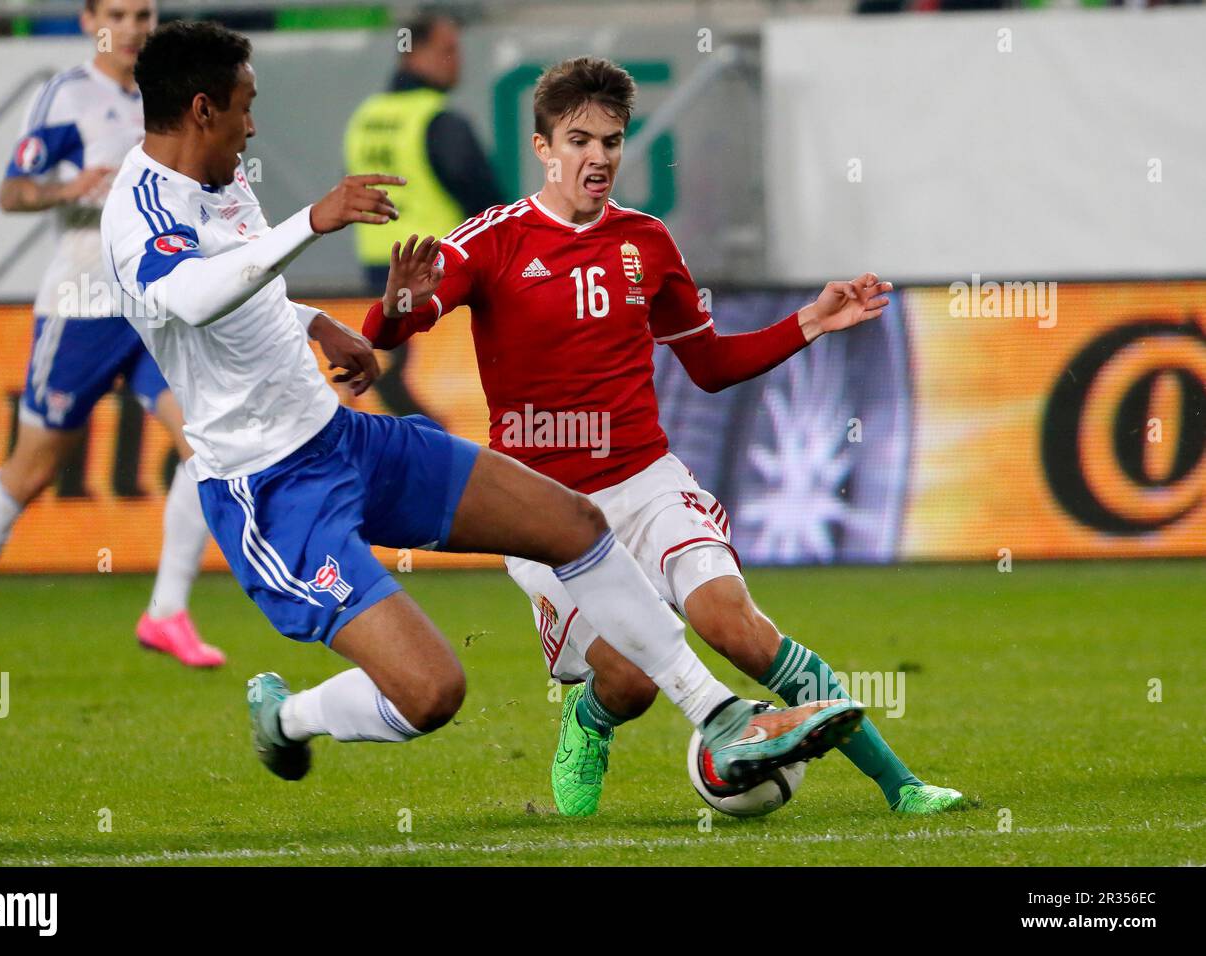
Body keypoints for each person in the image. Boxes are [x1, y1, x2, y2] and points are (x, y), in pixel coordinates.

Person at [101, 20, 863, 797]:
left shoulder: (221, 177)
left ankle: (720, 714)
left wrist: (313, 321)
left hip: (346, 441)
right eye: (244, 105)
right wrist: (313, 223)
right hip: (269, 489)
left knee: (573, 524)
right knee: (433, 693)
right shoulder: (136, 214)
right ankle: (288, 717)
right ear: (202, 110)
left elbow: (236, 285)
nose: (253, 122)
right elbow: (189, 297)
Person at [363, 57, 966, 817]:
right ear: (544, 148)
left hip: (647, 478)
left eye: (612, 141)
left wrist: (811, 320)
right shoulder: (493, 240)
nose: (599, 157)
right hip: (539, 508)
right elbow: (388, 325)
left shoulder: (646, 242)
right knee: (630, 679)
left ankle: (901, 785)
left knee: (738, 629)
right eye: (579, 140)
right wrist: (395, 308)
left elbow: (709, 365)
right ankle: (590, 719)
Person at [0, 0, 224, 673]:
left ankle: (167, 611)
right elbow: (10, 192)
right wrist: (69, 190)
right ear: (92, 18)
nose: (131, 27)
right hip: (83, 305)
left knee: (205, 443)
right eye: (117, 14)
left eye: (143, 14)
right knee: (34, 468)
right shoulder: (67, 96)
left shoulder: (170, 99)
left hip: (152, 305)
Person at [344, 7, 503, 416]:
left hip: (375, 275)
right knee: (445, 391)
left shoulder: (365, 118)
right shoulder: (438, 119)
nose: (458, 60)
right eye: (448, 49)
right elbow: (485, 201)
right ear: (414, 52)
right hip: (435, 273)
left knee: (396, 376)